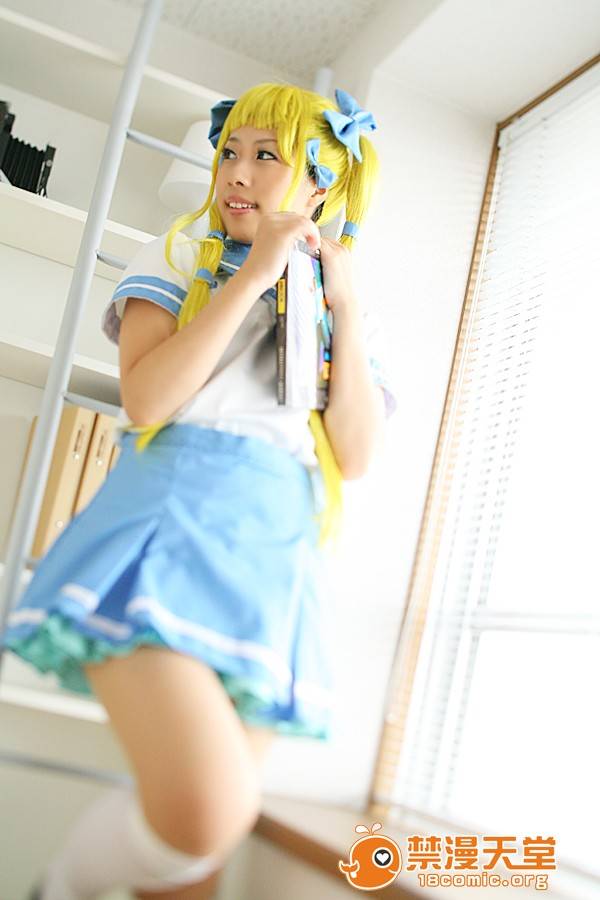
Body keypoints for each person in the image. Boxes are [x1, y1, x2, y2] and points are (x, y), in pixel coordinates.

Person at [2, 81, 397, 900]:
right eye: (230, 153)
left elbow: (354, 455)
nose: (236, 173)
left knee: (200, 855)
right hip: (170, 522)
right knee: (202, 815)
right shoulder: (178, 255)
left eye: (267, 156)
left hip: (272, 556)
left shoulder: (336, 300)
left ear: (321, 186)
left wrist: (349, 310)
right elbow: (148, 399)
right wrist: (251, 278)